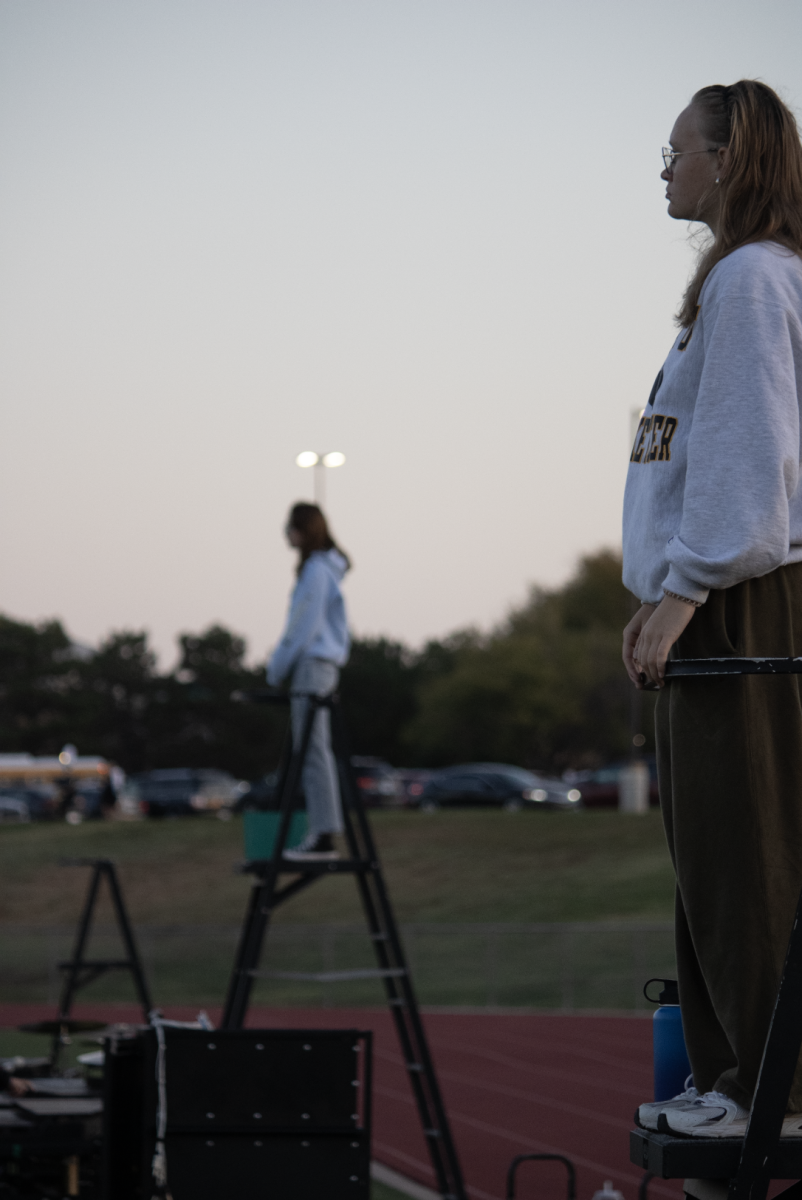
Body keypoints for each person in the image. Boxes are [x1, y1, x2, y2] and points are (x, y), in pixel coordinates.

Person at [622, 81, 802, 1141]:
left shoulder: (751, 279)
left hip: (737, 603)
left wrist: (683, 593)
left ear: (728, 159)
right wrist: (657, 594)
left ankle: (764, 1095)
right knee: (711, 855)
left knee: (746, 851)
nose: (664, 166)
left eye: (676, 148)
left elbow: (747, 467)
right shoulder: (739, 283)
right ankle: (735, 1076)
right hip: (706, 598)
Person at [267, 502, 351, 861]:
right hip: (319, 666)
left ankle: (323, 834)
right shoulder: (322, 570)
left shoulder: (316, 571)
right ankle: (322, 831)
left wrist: (276, 668)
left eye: (290, 526)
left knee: (314, 751)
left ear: (302, 530)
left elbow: (303, 626)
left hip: (313, 666)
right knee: (314, 750)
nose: (286, 532)